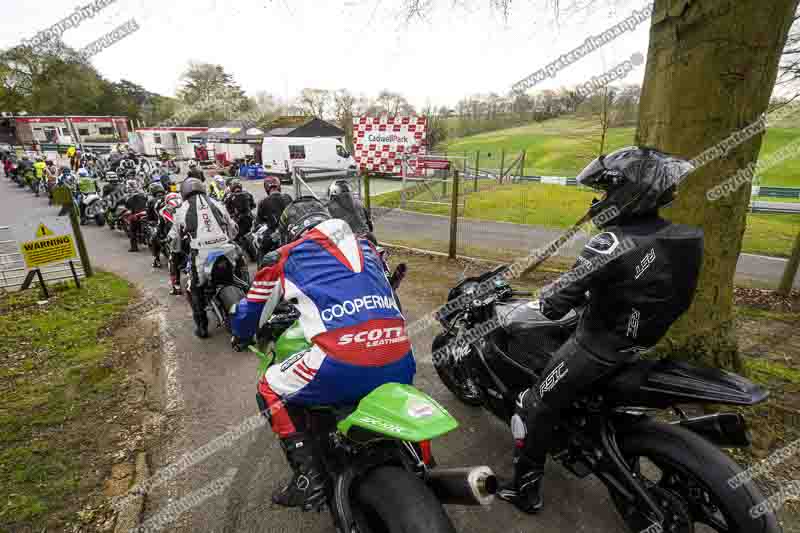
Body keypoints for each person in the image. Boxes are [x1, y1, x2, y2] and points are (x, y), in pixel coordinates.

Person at [496, 146, 704, 514]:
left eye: (606, 191)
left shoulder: (609, 242)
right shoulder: (687, 237)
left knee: (534, 405)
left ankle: (524, 491)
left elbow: (556, 303)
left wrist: (542, 299)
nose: (600, 199)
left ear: (628, 192)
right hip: (643, 340)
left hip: (598, 347)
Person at [230, 197, 414, 510]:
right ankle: (420, 459)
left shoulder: (283, 256)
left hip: (340, 362)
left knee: (268, 387)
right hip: (401, 356)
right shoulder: (368, 247)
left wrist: (240, 329)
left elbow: (250, 316)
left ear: (290, 232)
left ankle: (309, 478)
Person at [168, 178, 238, 338]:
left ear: (184, 192)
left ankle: (202, 327)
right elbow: (232, 228)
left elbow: (175, 238)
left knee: (194, 288)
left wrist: (177, 249)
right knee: (238, 271)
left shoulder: (182, 209)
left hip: (201, 254)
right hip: (226, 250)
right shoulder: (217, 203)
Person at [326, 180, 375, 245]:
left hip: (349, 243)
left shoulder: (331, 207)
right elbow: (369, 223)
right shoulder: (359, 202)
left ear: (333, 193)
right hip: (369, 238)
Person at [255, 176, 292, 255]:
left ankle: (262, 266)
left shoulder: (263, 202)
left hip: (276, 232)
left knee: (262, 249)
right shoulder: (287, 197)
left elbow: (259, 220)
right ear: (279, 186)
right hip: (291, 229)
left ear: (266, 188)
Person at [223, 178, 256, 242]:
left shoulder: (229, 196)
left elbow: (225, 208)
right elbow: (253, 205)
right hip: (249, 219)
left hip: (236, 220)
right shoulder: (248, 194)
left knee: (234, 238)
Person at [124, 182, 149, 253]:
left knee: (132, 230)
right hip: (145, 214)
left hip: (137, 215)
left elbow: (128, 208)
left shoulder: (130, 198)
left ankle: (134, 247)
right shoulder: (144, 196)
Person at [147, 182, 167, 267]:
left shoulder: (151, 201)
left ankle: (156, 259)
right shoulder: (168, 198)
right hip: (172, 222)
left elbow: (149, 216)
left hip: (159, 224)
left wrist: (150, 221)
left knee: (153, 238)